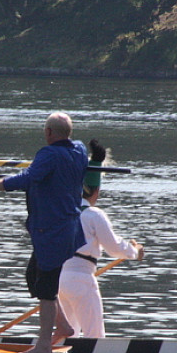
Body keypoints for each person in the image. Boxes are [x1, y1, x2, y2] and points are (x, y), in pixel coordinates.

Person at [0, 112, 87, 353]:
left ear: (48, 132)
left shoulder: (49, 154)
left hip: (53, 232)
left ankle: (43, 346)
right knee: (33, 277)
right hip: (66, 228)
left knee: (46, 289)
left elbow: (27, 178)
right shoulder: (79, 150)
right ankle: (64, 325)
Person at [58, 140, 144, 339]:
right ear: (95, 191)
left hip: (59, 279)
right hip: (81, 279)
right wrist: (135, 252)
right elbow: (114, 248)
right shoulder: (94, 214)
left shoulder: (60, 212)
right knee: (95, 336)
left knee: (67, 336)